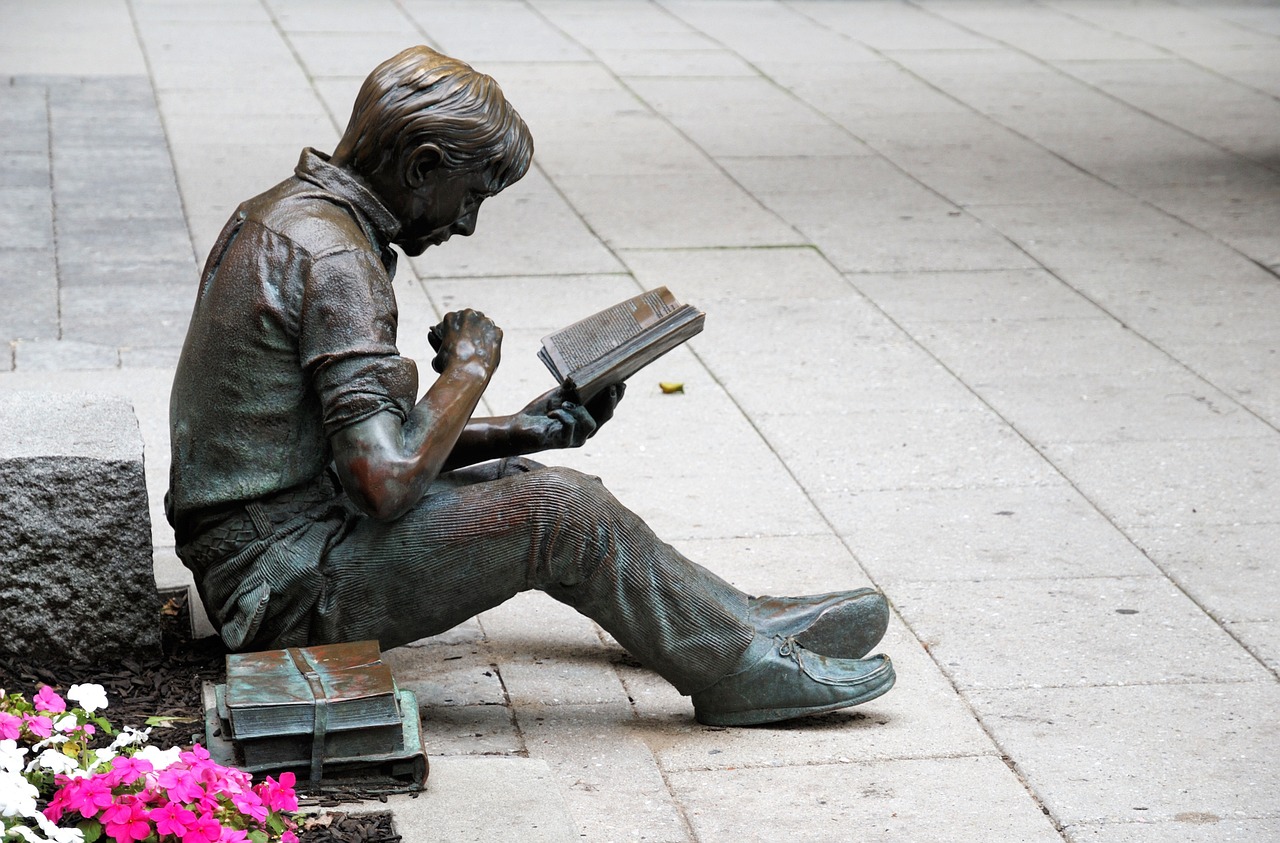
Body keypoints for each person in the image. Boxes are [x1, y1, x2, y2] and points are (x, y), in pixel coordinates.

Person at [167, 46, 895, 727]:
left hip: (271, 547)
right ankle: (736, 669)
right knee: (561, 512)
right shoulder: (336, 260)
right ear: (422, 165)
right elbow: (382, 483)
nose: (467, 224)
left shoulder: (290, 213)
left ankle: (732, 620)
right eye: (470, 196)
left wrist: (524, 428)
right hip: (281, 591)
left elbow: (355, 448)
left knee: (525, 479)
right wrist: (468, 369)